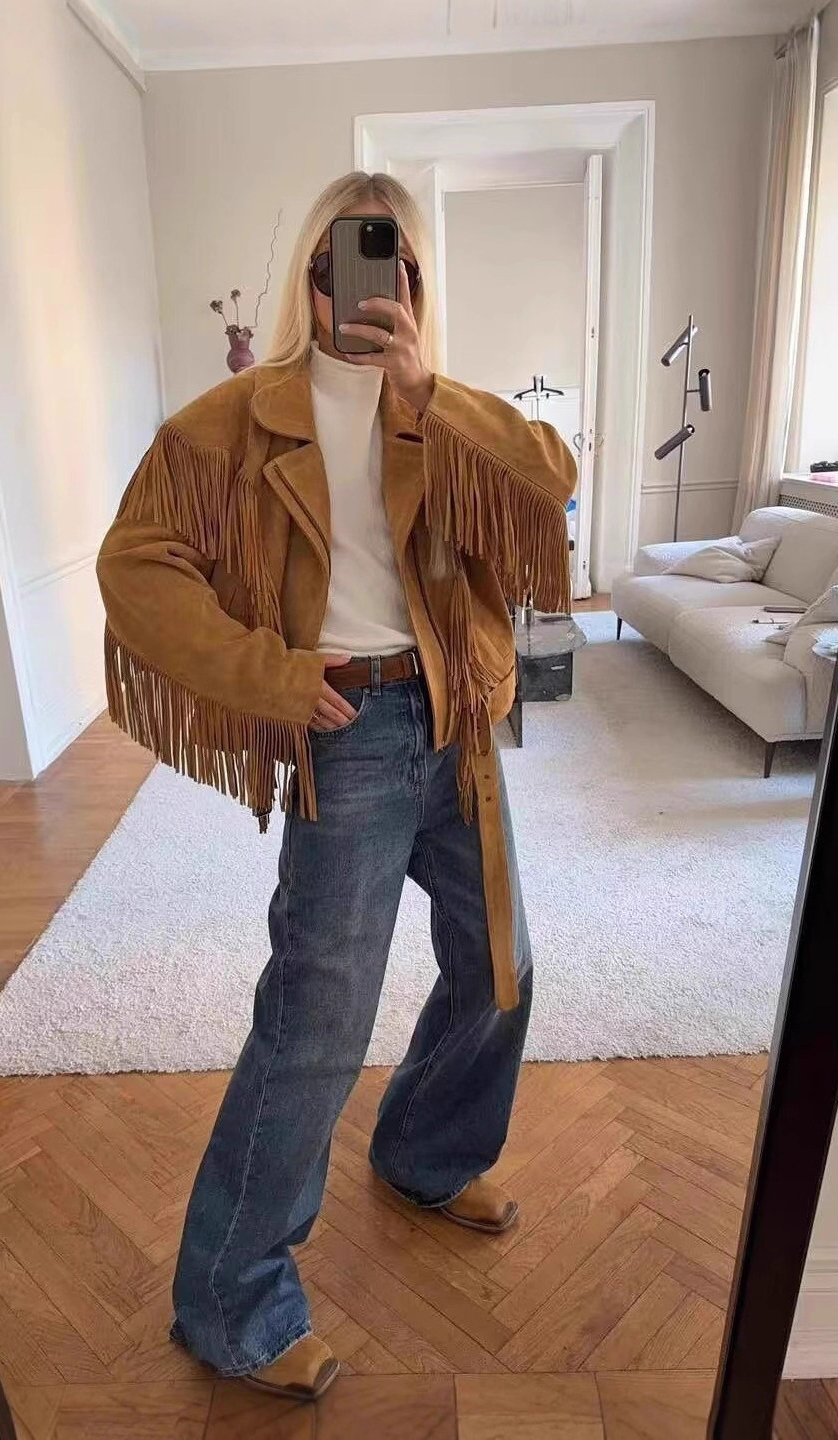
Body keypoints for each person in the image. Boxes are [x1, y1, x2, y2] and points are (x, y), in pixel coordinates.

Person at [97, 171, 575, 1401]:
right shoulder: (236, 422)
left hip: (457, 721)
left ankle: (426, 1151)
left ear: (416, 281)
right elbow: (136, 568)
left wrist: (426, 390)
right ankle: (230, 1302)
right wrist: (263, 674)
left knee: (501, 964)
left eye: (392, 264)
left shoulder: (443, 409)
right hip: (348, 728)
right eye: (340, 265)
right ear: (307, 279)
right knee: (317, 1021)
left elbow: (549, 487)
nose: (362, 289)